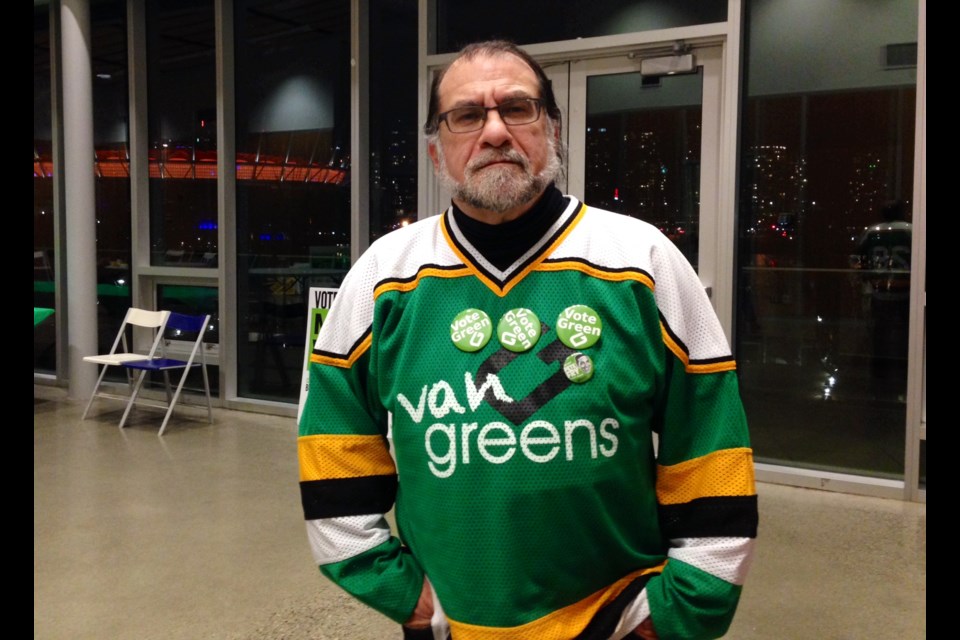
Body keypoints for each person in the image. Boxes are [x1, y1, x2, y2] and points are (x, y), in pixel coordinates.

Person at [298, 40, 758, 640]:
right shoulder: (384, 276)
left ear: (553, 131)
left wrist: (671, 616)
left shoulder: (641, 261)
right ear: (437, 149)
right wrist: (406, 598)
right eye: (467, 115)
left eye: (518, 108)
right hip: (449, 626)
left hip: (612, 621)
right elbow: (331, 448)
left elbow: (712, 455)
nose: (494, 131)